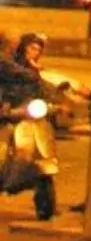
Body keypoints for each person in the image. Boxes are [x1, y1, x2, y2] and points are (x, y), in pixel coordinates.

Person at [0, 38, 64, 220]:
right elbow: (9, 77)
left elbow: (44, 88)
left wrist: (58, 100)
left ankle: (44, 202)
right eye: (31, 48)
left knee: (41, 150)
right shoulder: (11, 66)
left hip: (26, 115)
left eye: (38, 49)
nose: (35, 52)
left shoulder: (33, 72)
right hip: (8, 114)